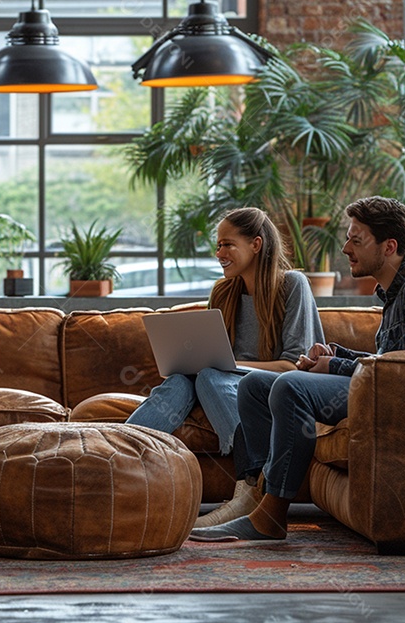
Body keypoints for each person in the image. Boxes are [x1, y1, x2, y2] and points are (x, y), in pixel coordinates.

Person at [190, 196, 405, 543]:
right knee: (255, 386)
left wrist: (335, 365)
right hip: (391, 389)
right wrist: (336, 354)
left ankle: (271, 516)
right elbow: (392, 358)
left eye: (356, 240)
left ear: (389, 247)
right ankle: (254, 496)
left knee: (291, 387)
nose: (346, 248)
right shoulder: (398, 288)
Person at [126, 207, 324, 528]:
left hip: (271, 388)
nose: (219, 253)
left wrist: (226, 366)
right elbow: (212, 357)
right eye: (218, 245)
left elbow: (293, 366)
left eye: (228, 244)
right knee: (179, 381)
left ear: (256, 244)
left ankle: (250, 484)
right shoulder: (223, 291)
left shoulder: (293, 285)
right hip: (221, 384)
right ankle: (117, 455)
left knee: (209, 375)